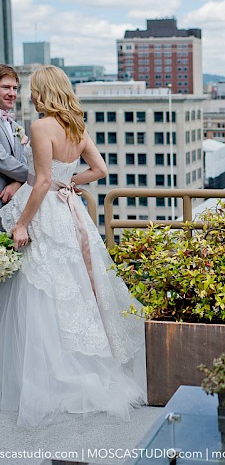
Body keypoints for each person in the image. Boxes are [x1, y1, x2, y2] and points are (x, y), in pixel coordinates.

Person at [0, 65, 146, 427]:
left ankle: (51, 372)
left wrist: (22, 223)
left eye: (31, 89)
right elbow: (100, 171)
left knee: (46, 292)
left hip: (46, 211)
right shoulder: (76, 126)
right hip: (72, 212)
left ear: (42, 91)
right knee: (77, 284)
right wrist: (71, 182)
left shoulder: (39, 126)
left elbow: (42, 180)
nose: (28, 95)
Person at [0, 65, 28, 211]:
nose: (12, 93)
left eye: (15, 88)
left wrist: (19, 182)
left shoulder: (16, 125)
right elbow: (2, 159)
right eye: (6, 87)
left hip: (13, 206)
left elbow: (23, 159)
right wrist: (34, 177)